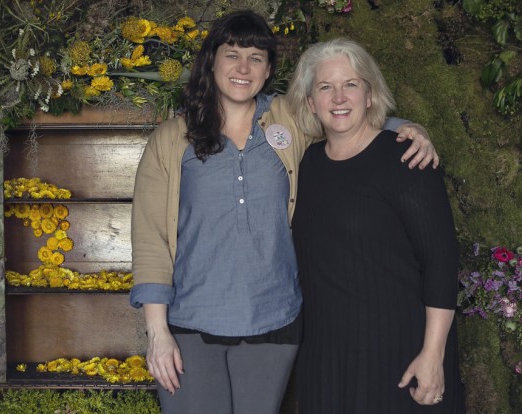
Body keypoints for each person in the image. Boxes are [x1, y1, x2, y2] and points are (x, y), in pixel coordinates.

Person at [130, 11, 438, 414]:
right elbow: (151, 238)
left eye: (256, 57)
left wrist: (411, 128)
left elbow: (346, 119)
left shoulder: (289, 120)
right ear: (211, 61)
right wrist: (158, 333)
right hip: (190, 322)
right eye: (232, 54)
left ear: (269, 68)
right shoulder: (171, 139)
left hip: (274, 321)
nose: (243, 67)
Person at [287, 38, 465, 413]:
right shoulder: (307, 164)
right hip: (326, 359)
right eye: (325, 87)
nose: (339, 97)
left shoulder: (405, 159)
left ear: (369, 95)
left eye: (351, 84)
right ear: (309, 103)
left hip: (401, 355)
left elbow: (441, 262)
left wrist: (433, 355)